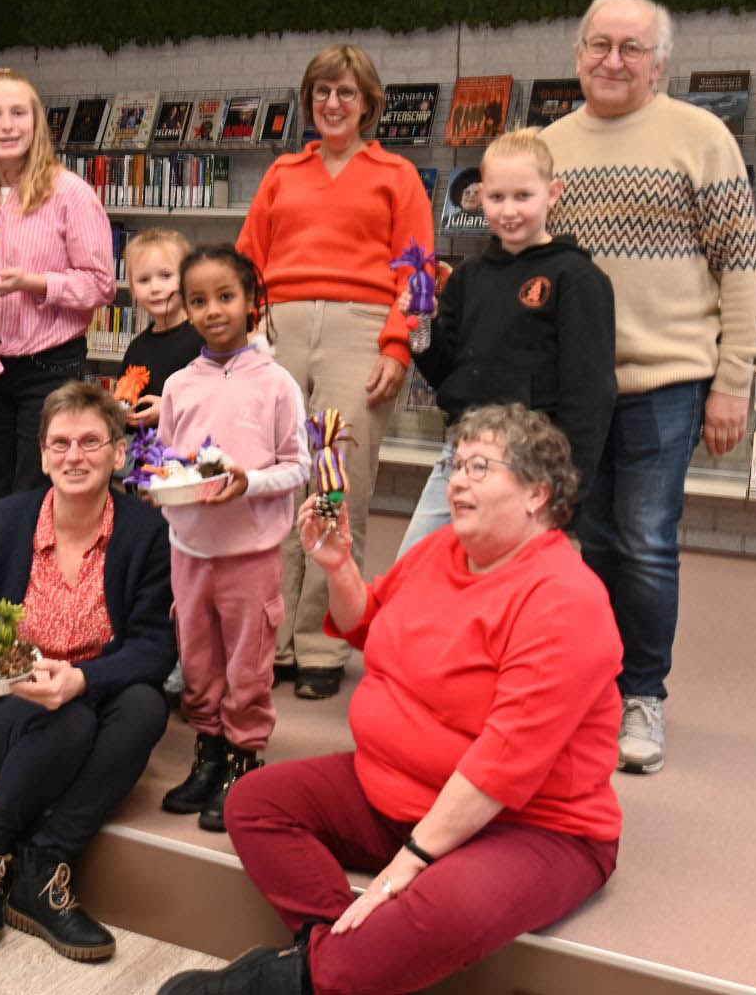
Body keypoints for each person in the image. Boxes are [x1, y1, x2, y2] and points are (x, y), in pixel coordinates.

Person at [157, 404, 622, 995]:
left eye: (481, 467)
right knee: (255, 802)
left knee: (445, 908)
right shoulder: (440, 551)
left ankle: (295, 977)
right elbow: (370, 627)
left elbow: (505, 763)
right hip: (398, 792)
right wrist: (339, 567)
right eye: (456, 465)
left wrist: (410, 865)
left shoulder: (565, 598)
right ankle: (342, 954)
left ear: (538, 494)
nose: (457, 480)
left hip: (532, 826)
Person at [539, 0, 756, 774]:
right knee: (579, 544)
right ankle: (591, 690)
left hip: (666, 382)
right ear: (577, 55)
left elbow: (741, 264)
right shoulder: (545, 147)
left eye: (630, 48)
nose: (611, 60)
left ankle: (642, 695)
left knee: (640, 543)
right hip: (570, 389)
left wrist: (732, 379)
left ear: (660, 62)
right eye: (599, 44)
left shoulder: (701, 138)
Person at [0, 382, 176, 963]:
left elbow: (155, 649)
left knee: (144, 708)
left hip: (97, 690)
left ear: (119, 453)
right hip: (9, 701)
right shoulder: (0, 523)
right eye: (60, 442)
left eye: (92, 441)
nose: (74, 456)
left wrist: (83, 680)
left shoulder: (145, 533)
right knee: (67, 725)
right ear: (41, 454)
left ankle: (47, 862)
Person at [237, 43, 435, 700]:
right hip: (280, 328)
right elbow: (247, 261)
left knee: (332, 480)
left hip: (359, 329)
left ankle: (321, 636)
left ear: (369, 103)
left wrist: (397, 345)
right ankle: (274, 636)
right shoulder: (282, 173)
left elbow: (419, 272)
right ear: (307, 101)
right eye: (321, 91)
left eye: (345, 92)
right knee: (273, 483)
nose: (332, 103)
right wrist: (248, 328)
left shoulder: (396, 174)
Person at [398, 127, 616, 555]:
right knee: (412, 572)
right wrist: (422, 324)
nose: (509, 211)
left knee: (509, 587)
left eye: (523, 196)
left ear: (553, 193)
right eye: (497, 198)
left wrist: (567, 486)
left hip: (530, 467)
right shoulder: (469, 277)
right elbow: (443, 371)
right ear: (480, 197)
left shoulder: (578, 279)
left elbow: (590, 394)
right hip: (460, 456)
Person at [153, 246, 306, 832]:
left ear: (250, 303)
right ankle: (209, 749)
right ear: (185, 309)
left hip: (251, 553)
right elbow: (167, 462)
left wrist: (248, 482)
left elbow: (298, 465)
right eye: (198, 301)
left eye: (225, 297)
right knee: (198, 659)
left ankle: (244, 754)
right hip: (189, 549)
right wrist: (156, 484)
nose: (213, 310)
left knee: (248, 660)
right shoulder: (177, 385)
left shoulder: (277, 383)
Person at [0, 68, 114, 523]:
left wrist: (31, 281)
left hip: (48, 368)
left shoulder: (70, 193)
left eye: (17, 113)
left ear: (37, 124)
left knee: (39, 495)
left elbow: (100, 284)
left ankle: (39, 594)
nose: (6, 125)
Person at [117, 228, 203, 429]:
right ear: (133, 289)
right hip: (141, 451)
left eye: (165, 276)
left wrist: (169, 410)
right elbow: (123, 397)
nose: (155, 288)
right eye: (144, 280)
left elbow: (217, 398)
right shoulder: (137, 348)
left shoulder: (203, 339)